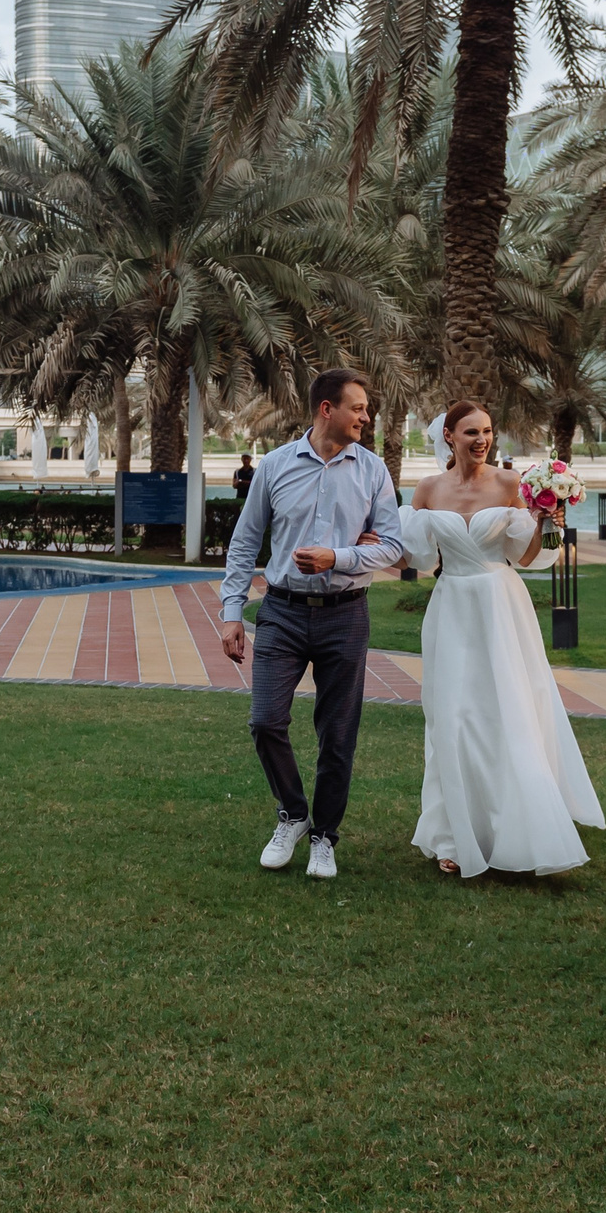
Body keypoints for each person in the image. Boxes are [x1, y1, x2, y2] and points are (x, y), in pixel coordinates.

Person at [404, 400, 603, 876]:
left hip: (500, 604)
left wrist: (548, 524)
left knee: (507, 712)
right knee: (452, 717)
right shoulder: (428, 489)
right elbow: (414, 555)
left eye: (488, 431)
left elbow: (529, 555)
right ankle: (453, 835)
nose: (482, 440)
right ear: (448, 436)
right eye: (471, 431)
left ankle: (519, 829)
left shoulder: (514, 484)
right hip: (451, 607)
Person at [219, 369, 404, 881]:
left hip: (346, 615)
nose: (367, 417)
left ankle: (324, 835)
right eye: (359, 408)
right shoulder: (275, 466)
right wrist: (233, 613)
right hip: (279, 611)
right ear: (327, 409)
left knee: (338, 734)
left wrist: (338, 558)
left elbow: (393, 545)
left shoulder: (373, 471)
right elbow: (243, 542)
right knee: (265, 721)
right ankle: (294, 814)